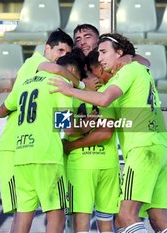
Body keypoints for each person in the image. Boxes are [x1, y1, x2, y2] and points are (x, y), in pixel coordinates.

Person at [49, 33, 167, 233]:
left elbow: (104, 130)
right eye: (96, 68)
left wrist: (72, 93)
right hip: (160, 147)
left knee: (122, 218)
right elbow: (67, 125)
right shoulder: (134, 72)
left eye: (103, 54)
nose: (100, 72)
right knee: (156, 215)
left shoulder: (113, 84)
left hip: (129, 154)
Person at [0, 51, 86, 233]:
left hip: (22, 156)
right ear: (69, 71)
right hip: (47, 158)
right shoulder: (59, 85)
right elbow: (67, 127)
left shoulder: (24, 83)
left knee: (23, 215)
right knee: (56, 214)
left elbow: (0, 111)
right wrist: (87, 126)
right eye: (76, 77)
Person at [62, 49, 120, 232]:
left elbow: (68, 129)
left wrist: (73, 142)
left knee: (81, 224)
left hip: (80, 165)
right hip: (107, 163)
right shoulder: (105, 95)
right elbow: (106, 133)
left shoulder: (66, 96)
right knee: (106, 223)